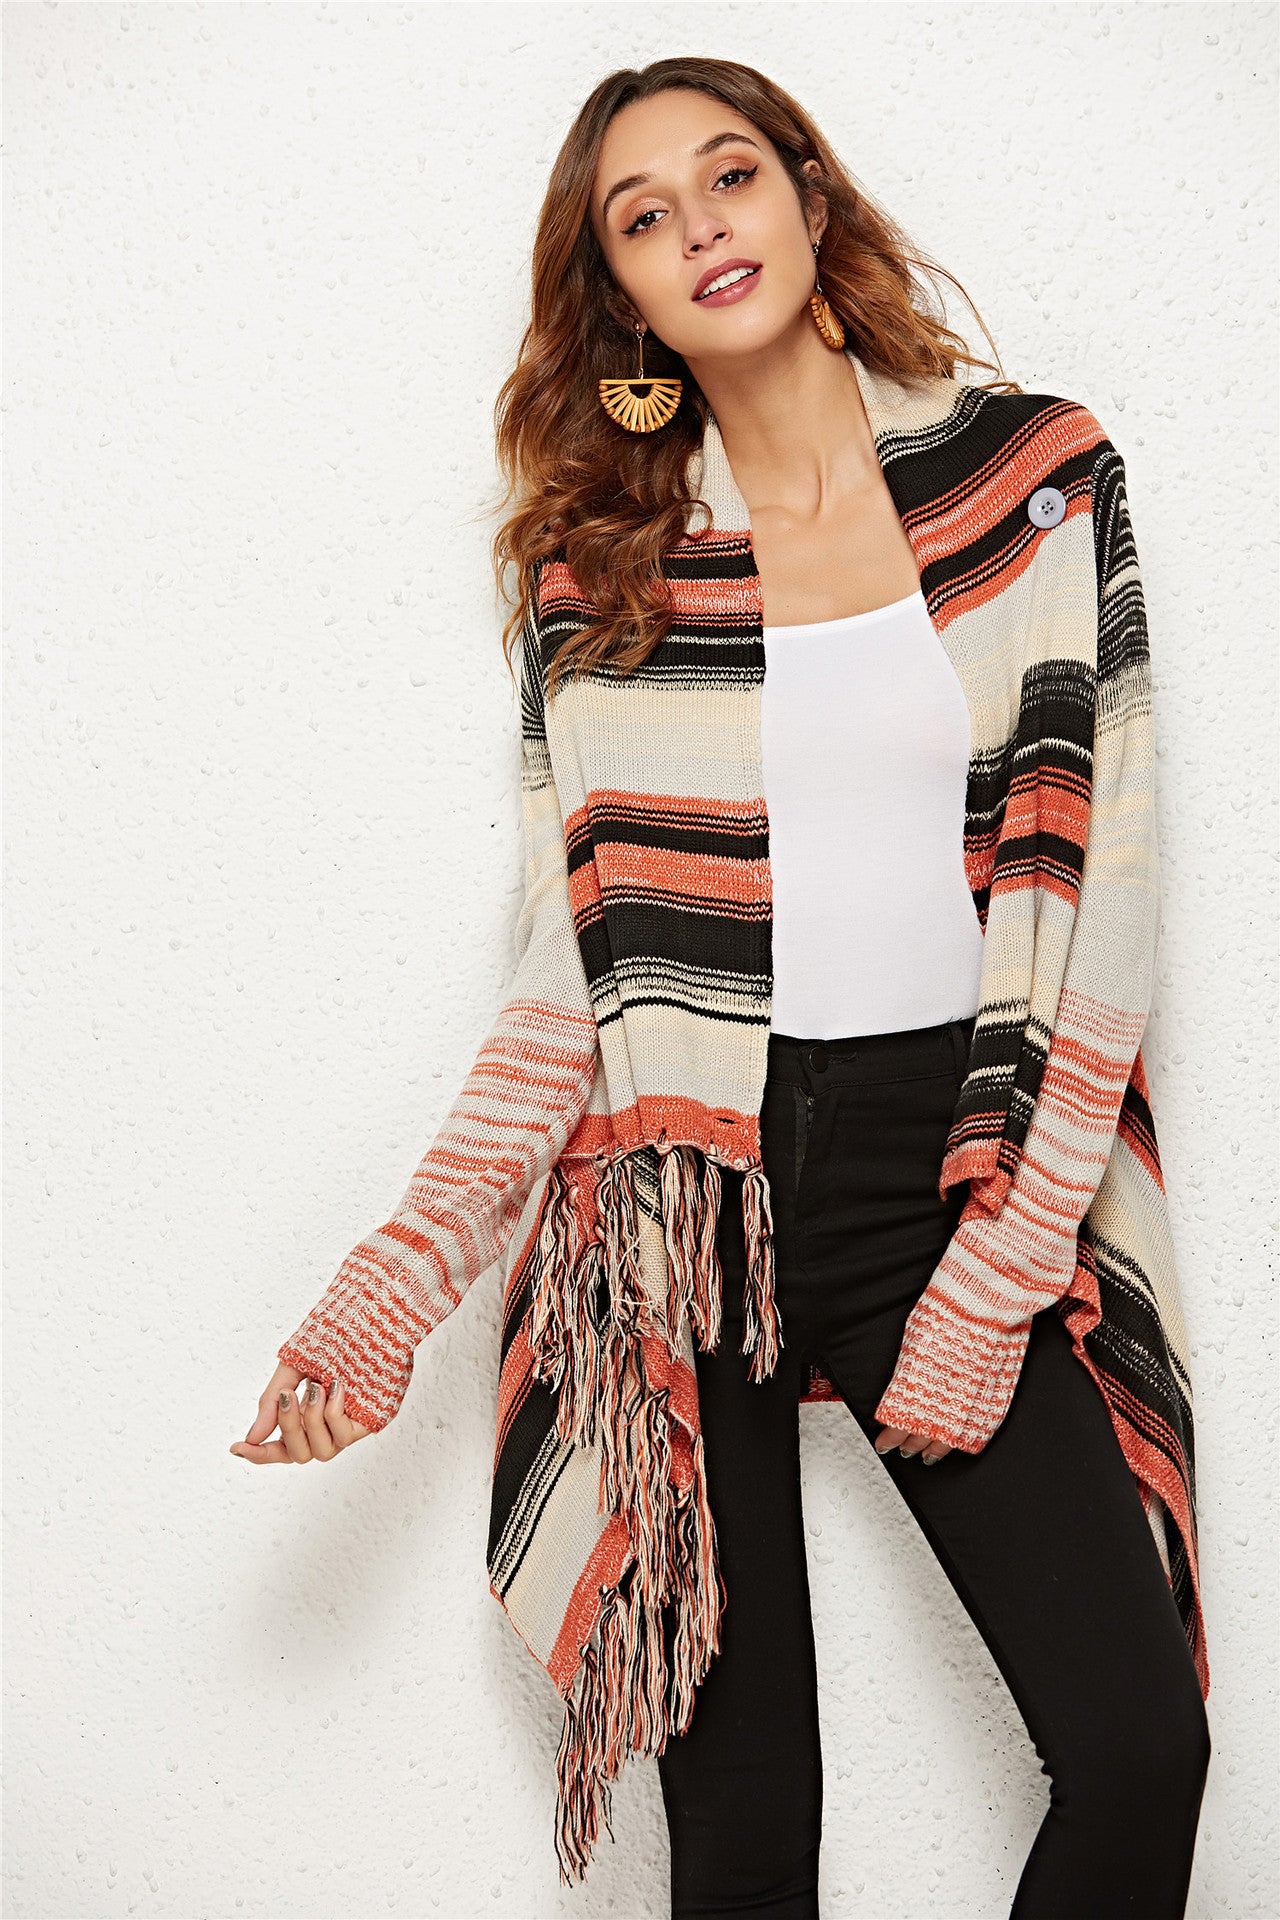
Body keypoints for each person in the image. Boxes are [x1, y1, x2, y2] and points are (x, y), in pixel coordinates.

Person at [231, 57, 1211, 1918]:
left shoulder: (1031, 479)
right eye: (644, 216)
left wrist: (1009, 1260)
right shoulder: (607, 573)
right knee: (748, 1827)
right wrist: (397, 1281)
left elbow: (1115, 888)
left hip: (943, 1169)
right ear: (621, 297)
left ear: (810, 200)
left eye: (731, 176)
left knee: (1137, 1750)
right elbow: (575, 974)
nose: (702, 228)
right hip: (676, 1210)